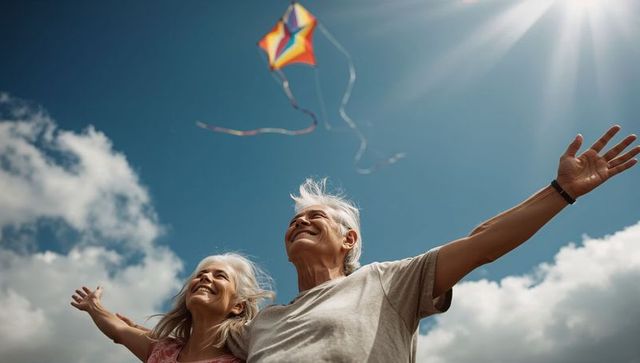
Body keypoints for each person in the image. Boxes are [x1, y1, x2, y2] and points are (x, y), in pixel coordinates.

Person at [121, 126, 638, 362]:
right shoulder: (260, 325)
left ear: (349, 240)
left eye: (315, 218)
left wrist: (562, 191)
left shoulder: (387, 283)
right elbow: (172, 352)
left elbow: (481, 244)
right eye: (294, 220)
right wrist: (108, 319)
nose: (299, 223)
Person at [71, 253, 273, 363]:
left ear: (237, 306)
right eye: (201, 274)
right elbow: (120, 331)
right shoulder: (162, 350)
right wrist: (93, 305)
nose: (205, 277)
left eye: (220, 276)